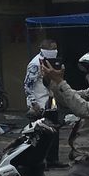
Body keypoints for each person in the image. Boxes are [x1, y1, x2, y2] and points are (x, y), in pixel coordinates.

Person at [24, 39, 66, 168]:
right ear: (43, 49)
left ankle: (53, 160)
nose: (54, 51)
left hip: (50, 101)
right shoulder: (35, 64)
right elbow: (27, 85)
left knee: (54, 131)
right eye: (51, 48)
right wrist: (33, 103)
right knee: (40, 134)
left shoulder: (52, 63)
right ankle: (39, 161)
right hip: (39, 103)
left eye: (55, 48)